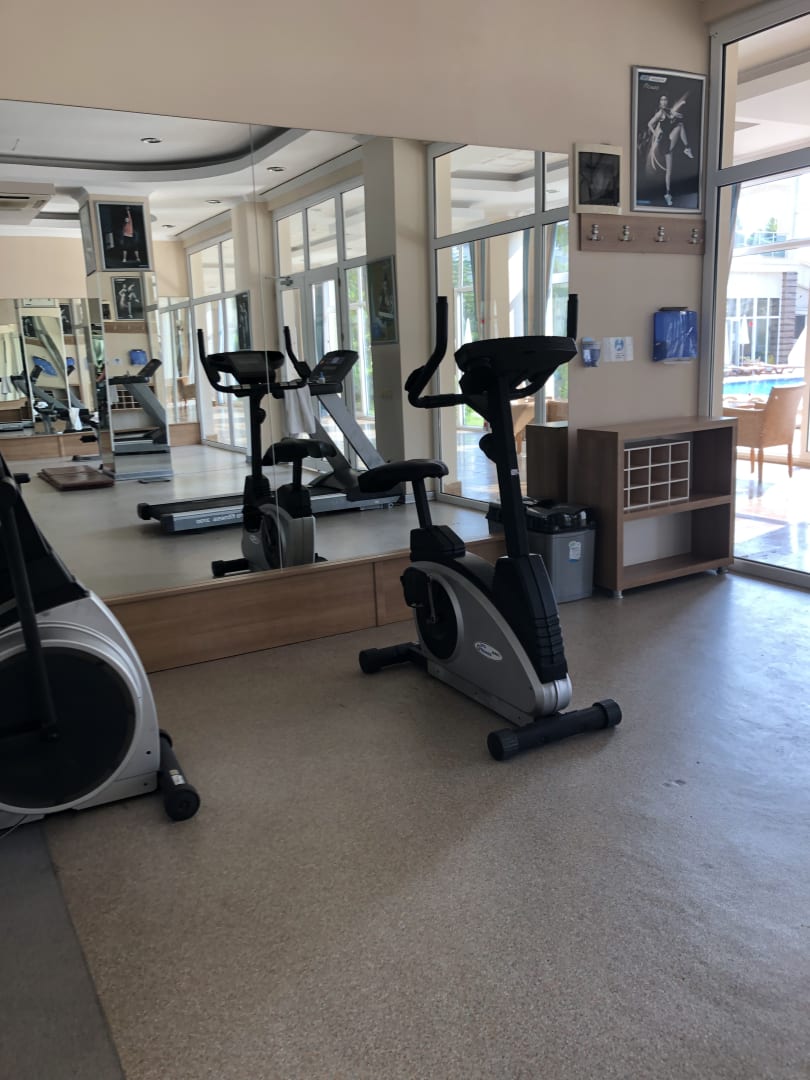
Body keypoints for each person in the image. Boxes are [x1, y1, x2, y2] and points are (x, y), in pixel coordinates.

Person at [645, 93, 694, 206]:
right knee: (680, 126)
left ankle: (667, 194)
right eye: (662, 100)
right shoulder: (660, 113)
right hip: (664, 142)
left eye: (665, 99)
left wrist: (678, 111)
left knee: (669, 172)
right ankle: (687, 148)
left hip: (667, 141)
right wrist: (655, 134)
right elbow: (650, 124)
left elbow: (676, 115)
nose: (664, 101)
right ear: (659, 102)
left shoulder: (668, 111)